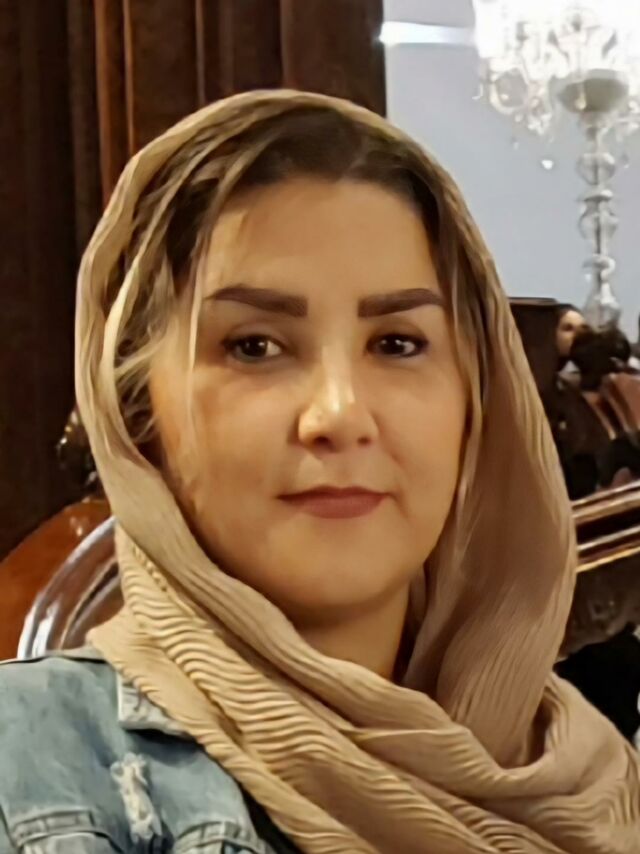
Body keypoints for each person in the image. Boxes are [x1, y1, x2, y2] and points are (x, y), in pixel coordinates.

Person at [0, 90, 638, 853]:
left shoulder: (594, 781)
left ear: (479, 400)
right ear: (136, 411)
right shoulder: (30, 767)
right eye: (255, 346)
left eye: (398, 344)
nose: (339, 413)